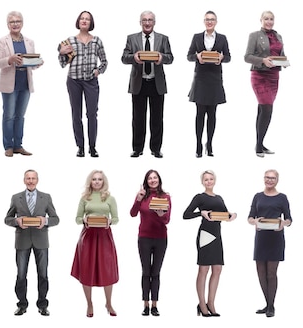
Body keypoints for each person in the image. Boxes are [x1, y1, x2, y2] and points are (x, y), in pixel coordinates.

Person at [5, 170, 59, 316]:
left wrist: (45, 221)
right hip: (22, 241)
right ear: (24, 180)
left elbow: (56, 218)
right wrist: (16, 221)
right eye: (28, 178)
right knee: (21, 275)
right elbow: (7, 219)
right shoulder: (16, 198)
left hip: (41, 241)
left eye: (33, 178)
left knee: (43, 274)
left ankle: (42, 304)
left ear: (37, 180)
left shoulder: (46, 197)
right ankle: (22, 304)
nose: (30, 181)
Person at [182, 170, 237, 317]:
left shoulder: (219, 198)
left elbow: (225, 214)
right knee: (203, 270)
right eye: (206, 179)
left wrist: (232, 215)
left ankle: (211, 303)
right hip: (205, 235)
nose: (209, 181)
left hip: (217, 235)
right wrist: (201, 213)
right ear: (202, 182)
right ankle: (201, 303)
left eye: (211, 179)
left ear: (215, 180)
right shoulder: (200, 197)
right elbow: (185, 215)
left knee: (217, 269)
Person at [121, 11, 173, 158]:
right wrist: (134, 57)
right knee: (138, 118)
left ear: (154, 22)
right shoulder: (132, 38)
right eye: (144, 20)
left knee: (157, 118)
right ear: (140, 22)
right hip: (139, 82)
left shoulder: (163, 39)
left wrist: (162, 58)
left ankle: (155, 149)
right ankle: (137, 148)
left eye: (150, 20)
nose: (147, 23)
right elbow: (124, 58)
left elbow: (170, 57)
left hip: (156, 83)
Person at [58, 11, 108, 157]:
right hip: (74, 81)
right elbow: (63, 63)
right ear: (78, 22)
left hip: (91, 82)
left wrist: (99, 70)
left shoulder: (97, 41)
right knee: (76, 114)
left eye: (87, 19)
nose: (84, 21)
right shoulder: (70, 41)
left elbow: (104, 61)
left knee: (92, 114)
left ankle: (92, 147)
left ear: (91, 23)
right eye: (82, 19)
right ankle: (80, 146)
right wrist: (61, 52)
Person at [0, 11, 41, 157]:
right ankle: (8, 146)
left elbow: (30, 64)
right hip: (9, 84)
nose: (15, 24)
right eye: (12, 22)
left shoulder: (29, 42)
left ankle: (18, 145)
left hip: (25, 83)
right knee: (9, 116)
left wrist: (38, 63)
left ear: (22, 23)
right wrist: (10, 59)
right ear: (8, 25)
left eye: (18, 21)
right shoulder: (2, 41)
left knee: (20, 116)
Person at [71, 170, 118, 317]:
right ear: (90, 182)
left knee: (107, 270)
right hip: (88, 238)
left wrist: (110, 221)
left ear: (104, 182)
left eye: (99, 179)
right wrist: (84, 220)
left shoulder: (110, 198)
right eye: (94, 179)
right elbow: (78, 218)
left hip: (104, 237)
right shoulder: (85, 198)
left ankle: (108, 303)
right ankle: (89, 304)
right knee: (87, 270)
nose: (97, 182)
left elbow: (116, 218)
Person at [247, 169, 292, 317]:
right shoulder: (257, 196)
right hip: (261, 238)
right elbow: (250, 217)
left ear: (277, 180)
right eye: (267, 177)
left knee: (271, 273)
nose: (269, 180)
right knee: (260, 272)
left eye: (273, 178)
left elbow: (289, 219)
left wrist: (282, 224)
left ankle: (271, 306)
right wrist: (255, 221)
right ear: (263, 178)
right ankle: (267, 304)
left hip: (275, 238)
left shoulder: (282, 197)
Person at [187, 11, 231, 157]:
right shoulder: (197, 37)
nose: (209, 22)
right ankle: (198, 145)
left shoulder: (222, 38)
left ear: (216, 21)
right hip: (200, 79)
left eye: (212, 19)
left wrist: (222, 58)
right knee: (199, 114)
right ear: (204, 21)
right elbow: (189, 56)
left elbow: (228, 57)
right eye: (207, 19)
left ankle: (210, 144)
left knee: (212, 114)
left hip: (214, 80)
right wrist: (197, 56)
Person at [244, 11, 286, 157]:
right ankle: (258, 147)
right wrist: (263, 60)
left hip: (274, 76)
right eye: (266, 19)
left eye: (271, 19)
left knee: (264, 109)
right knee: (266, 108)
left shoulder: (278, 36)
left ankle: (260, 143)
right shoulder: (254, 35)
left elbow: (280, 54)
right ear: (260, 20)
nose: (269, 21)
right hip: (260, 75)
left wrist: (284, 61)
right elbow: (247, 57)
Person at [130, 169, 170, 316]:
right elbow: (133, 214)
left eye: (155, 178)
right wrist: (138, 199)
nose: (153, 180)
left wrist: (161, 215)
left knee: (156, 272)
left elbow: (167, 220)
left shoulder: (165, 197)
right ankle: (145, 305)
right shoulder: (142, 196)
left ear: (159, 180)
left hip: (160, 238)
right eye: (150, 178)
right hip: (144, 238)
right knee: (146, 272)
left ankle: (155, 305)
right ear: (146, 181)